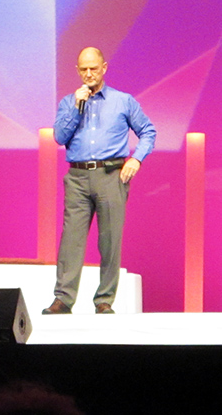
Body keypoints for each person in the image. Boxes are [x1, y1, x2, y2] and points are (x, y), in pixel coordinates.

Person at [43, 47, 156, 315]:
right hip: (78, 176)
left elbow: (148, 131)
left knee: (110, 240)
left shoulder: (123, 101)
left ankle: (104, 301)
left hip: (111, 175)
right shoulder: (69, 102)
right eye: (84, 69)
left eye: (94, 68)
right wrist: (75, 106)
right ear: (77, 70)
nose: (89, 74)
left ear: (104, 68)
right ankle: (63, 299)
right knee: (71, 239)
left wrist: (136, 159)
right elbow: (59, 136)